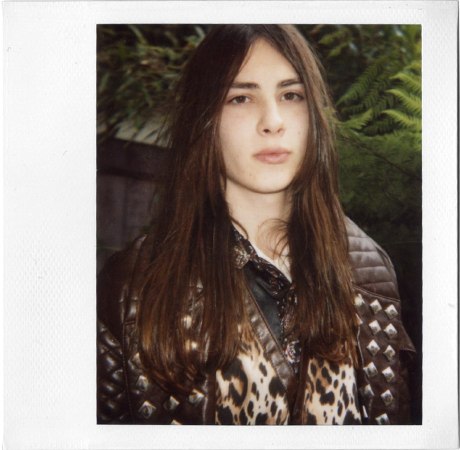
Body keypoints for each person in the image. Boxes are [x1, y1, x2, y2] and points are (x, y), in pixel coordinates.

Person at [97, 24, 416, 425]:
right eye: (241, 98)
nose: (273, 121)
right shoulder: (134, 284)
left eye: (291, 95)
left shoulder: (370, 269)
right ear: (203, 120)